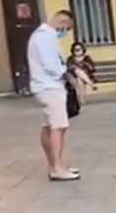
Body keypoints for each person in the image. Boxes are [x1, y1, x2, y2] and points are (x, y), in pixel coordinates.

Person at [28, 10, 80, 181]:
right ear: (62, 22)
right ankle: (57, 168)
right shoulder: (45, 38)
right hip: (50, 86)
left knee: (49, 126)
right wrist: (69, 74)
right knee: (58, 127)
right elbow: (52, 65)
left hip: (45, 86)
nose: (66, 32)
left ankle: (54, 165)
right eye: (68, 28)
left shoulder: (41, 35)